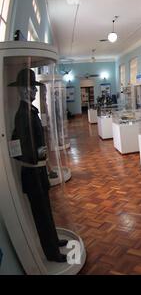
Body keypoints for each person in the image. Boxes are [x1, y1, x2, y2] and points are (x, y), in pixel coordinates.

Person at [9, 69, 68, 262]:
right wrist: (35, 158)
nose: (34, 92)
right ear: (21, 91)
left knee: (46, 210)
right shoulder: (22, 115)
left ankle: (54, 240)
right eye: (30, 88)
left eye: (34, 88)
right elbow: (17, 146)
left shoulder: (29, 111)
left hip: (39, 170)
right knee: (41, 215)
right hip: (32, 172)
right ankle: (51, 253)